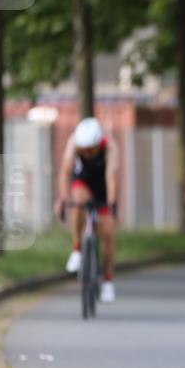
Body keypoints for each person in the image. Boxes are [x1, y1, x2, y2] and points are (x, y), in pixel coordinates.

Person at [55, 117, 118, 302]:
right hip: (83, 179)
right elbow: (65, 171)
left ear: (99, 144)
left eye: (91, 149)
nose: (88, 153)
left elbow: (111, 176)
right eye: (84, 149)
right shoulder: (74, 142)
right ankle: (77, 248)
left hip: (103, 184)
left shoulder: (110, 147)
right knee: (78, 201)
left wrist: (112, 203)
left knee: (108, 233)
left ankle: (107, 280)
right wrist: (63, 199)